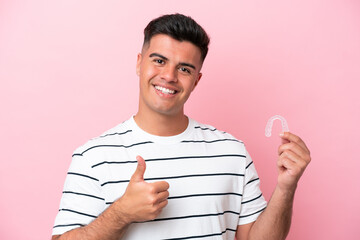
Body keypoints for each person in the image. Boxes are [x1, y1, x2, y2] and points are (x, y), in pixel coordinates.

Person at [52, 13, 311, 240]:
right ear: (139, 63)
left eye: (184, 68)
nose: (169, 76)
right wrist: (122, 213)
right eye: (159, 61)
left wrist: (286, 188)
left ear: (196, 80)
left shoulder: (232, 152)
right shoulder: (93, 156)